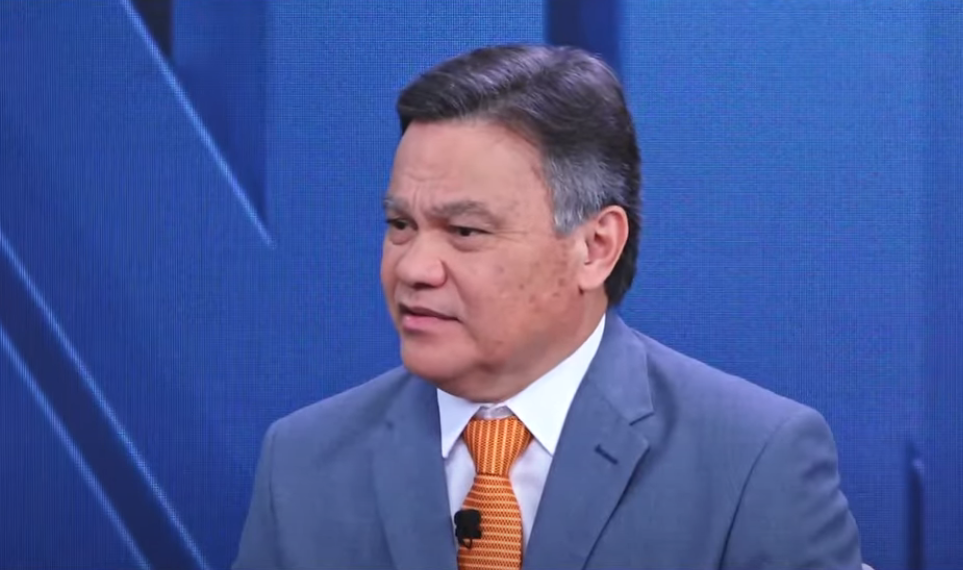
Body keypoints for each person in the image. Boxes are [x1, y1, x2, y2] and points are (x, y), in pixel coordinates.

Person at [233, 44, 862, 570]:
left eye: (465, 232)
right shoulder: (302, 462)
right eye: (401, 225)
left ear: (595, 247)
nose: (414, 268)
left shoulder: (753, 463)